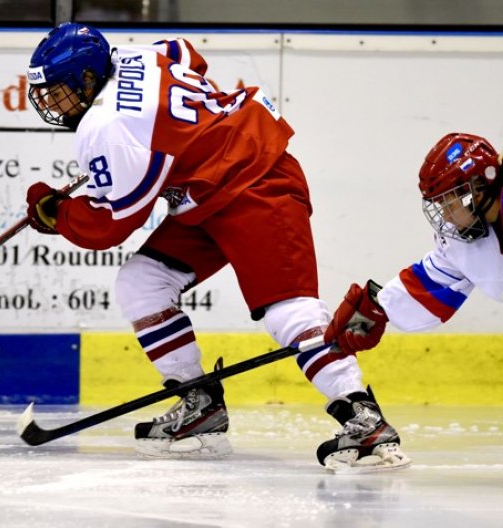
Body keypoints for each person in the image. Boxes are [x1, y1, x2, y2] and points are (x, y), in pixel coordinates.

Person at [24, 22, 409, 470]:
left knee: (288, 311)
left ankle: (364, 419)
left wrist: (55, 214)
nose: (50, 101)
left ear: (88, 78)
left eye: (59, 90)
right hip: (207, 192)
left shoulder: (104, 125)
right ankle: (199, 403)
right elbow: (187, 55)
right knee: (142, 283)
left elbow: (110, 225)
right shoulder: (134, 55)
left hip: (258, 185)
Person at [325, 132, 503, 384]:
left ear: (478, 187)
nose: (447, 217)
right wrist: (378, 308)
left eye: (449, 204)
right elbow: (435, 280)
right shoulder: (462, 236)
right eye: (439, 205)